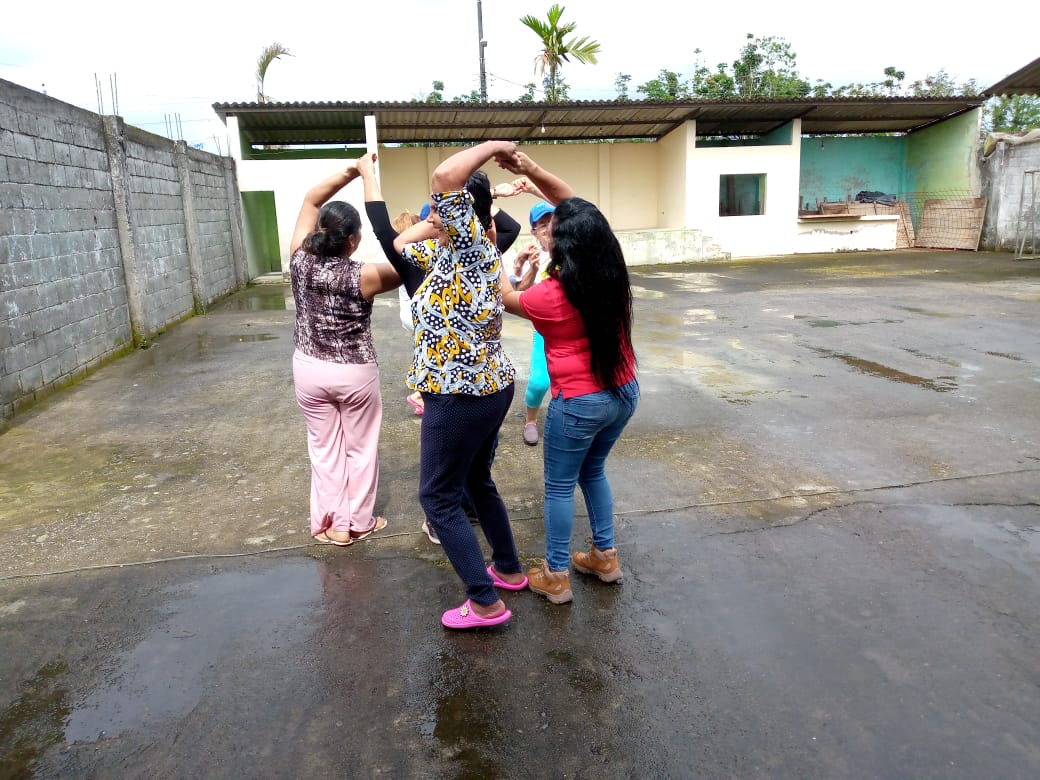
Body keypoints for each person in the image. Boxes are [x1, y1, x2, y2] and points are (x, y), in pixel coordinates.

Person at [392, 140, 528, 628]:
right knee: (475, 479)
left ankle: (485, 601)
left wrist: (494, 146)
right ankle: (507, 568)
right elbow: (400, 245)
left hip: (459, 393)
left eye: (441, 209)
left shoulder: (469, 247)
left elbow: (444, 177)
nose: (434, 213)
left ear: (462, 213)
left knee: (437, 497)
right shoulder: (453, 251)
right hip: (486, 387)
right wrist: (434, 223)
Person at [497, 149, 640, 605]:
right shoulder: (611, 267)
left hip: (579, 402)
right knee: (593, 470)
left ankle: (556, 575)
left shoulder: (549, 297)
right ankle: (604, 557)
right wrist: (531, 171)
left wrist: (489, 246)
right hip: (623, 391)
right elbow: (581, 210)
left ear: (561, 246)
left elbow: (502, 296)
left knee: (559, 487)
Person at [288, 156, 402, 546]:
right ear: (352, 240)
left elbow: (310, 199)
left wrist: (351, 171)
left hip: (309, 369)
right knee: (360, 449)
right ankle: (358, 521)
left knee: (324, 450)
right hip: (355, 372)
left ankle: (333, 524)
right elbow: (403, 256)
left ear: (320, 231)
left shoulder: (298, 260)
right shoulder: (366, 275)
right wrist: (370, 178)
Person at [514, 200, 555, 446]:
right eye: (542, 224)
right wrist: (530, 268)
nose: (548, 228)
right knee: (539, 381)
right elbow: (518, 295)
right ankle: (530, 420)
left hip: (575, 329)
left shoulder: (574, 250)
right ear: (534, 232)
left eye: (552, 221)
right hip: (545, 330)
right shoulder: (533, 256)